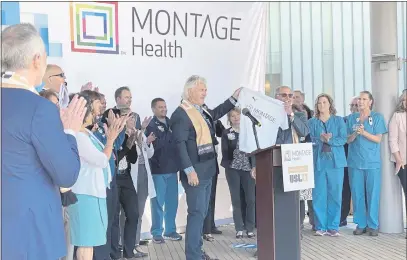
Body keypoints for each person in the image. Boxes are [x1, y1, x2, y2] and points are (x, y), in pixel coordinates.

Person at [1, 23, 87, 260]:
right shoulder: (39, 108)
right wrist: (69, 131)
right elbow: (67, 174)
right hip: (31, 237)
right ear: (37, 59)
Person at [170, 75, 241, 260]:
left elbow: (216, 113)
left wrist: (233, 99)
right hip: (195, 173)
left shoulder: (201, 110)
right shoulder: (181, 114)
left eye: (205, 89)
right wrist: (189, 170)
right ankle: (193, 256)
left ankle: (198, 251)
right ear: (190, 91)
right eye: (201, 89)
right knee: (196, 213)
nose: (205, 92)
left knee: (201, 214)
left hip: (208, 170)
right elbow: (179, 145)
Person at [68, 91, 126, 260]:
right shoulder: (78, 136)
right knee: (85, 244)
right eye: (94, 108)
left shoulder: (87, 134)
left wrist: (112, 137)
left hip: (94, 193)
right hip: (85, 195)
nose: (98, 112)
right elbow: (101, 159)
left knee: (91, 244)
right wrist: (110, 140)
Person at [251, 85, 309, 257]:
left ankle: (292, 242)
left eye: (290, 95)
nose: (287, 98)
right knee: (270, 204)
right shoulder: (266, 115)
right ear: (275, 97)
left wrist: (290, 114)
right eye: (283, 95)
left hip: (294, 164)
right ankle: (267, 244)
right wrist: (254, 164)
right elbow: (258, 141)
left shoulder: (299, 115)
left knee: (294, 204)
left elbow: (304, 132)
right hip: (270, 165)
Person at [347, 91, 387, 236]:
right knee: (357, 194)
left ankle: (373, 224)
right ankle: (360, 224)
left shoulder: (377, 118)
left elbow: (378, 139)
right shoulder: (352, 118)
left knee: (373, 193)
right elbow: (348, 140)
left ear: (370, 102)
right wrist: (355, 134)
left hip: (372, 162)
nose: (361, 102)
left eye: (364, 99)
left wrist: (364, 133)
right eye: (359, 99)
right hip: (354, 162)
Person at [308, 94, 347, 237]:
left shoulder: (339, 121)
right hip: (318, 161)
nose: (322, 105)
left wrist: (329, 140)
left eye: (324, 102)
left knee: (335, 194)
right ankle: (320, 226)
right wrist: (320, 139)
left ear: (330, 104)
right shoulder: (312, 122)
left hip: (336, 162)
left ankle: (333, 227)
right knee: (319, 195)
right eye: (319, 103)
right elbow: (309, 140)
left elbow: (343, 139)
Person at [146, 98, 183, 244]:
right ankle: (156, 232)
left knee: (172, 202)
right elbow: (157, 144)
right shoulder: (150, 125)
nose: (164, 109)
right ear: (153, 109)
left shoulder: (171, 123)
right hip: (158, 170)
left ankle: (170, 230)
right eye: (160, 107)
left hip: (173, 169)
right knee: (157, 203)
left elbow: (176, 142)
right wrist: (168, 135)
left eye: (165, 107)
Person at [221, 108, 256, 239]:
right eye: (232, 116)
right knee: (236, 199)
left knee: (250, 199)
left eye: (238, 115)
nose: (236, 118)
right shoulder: (226, 133)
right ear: (229, 119)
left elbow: (254, 150)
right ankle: (239, 228)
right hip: (233, 168)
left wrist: (255, 166)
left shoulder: (249, 131)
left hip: (248, 169)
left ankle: (250, 228)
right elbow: (225, 151)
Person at [388, 90, 407, 238]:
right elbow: (392, 140)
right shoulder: (397, 117)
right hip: (404, 163)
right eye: (405, 100)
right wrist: (399, 160)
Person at [340, 96, 359, 227]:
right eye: (351, 105)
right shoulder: (344, 121)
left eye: (356, 105)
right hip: (347, 161)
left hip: (363, 162)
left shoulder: (370, 120)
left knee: (360, 191)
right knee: (344, 190)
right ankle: (341, 218)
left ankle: (362, 221)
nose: (353, 108)